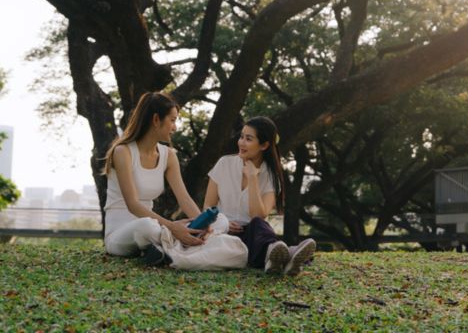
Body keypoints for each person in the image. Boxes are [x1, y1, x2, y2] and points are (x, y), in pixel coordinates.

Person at [203, 116, 316, 276]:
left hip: (253, 237)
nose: (241, 143)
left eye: (248, 139)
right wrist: (224, 222)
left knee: (257, 223)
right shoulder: (224, 164)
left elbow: (258, 215)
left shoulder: (271, 175)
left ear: (264, 145)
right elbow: (208, 206)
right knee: (249, 240)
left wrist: (253, 178)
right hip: (223, 232)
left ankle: (275, 256)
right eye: (241, 137)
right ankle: (287, 255)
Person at [103, 92, 207, 263]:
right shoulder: (123, 152)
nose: (175, 127)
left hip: (156, 228)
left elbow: (185, 199)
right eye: (172, 120)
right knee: (147, 226)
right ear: (156, 119)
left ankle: (159, 250)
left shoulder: (168, 155)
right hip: (121, 234)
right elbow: (133, 205)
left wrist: (203, 225)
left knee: (220, 223)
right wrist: (173, 227)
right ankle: (167, 246)